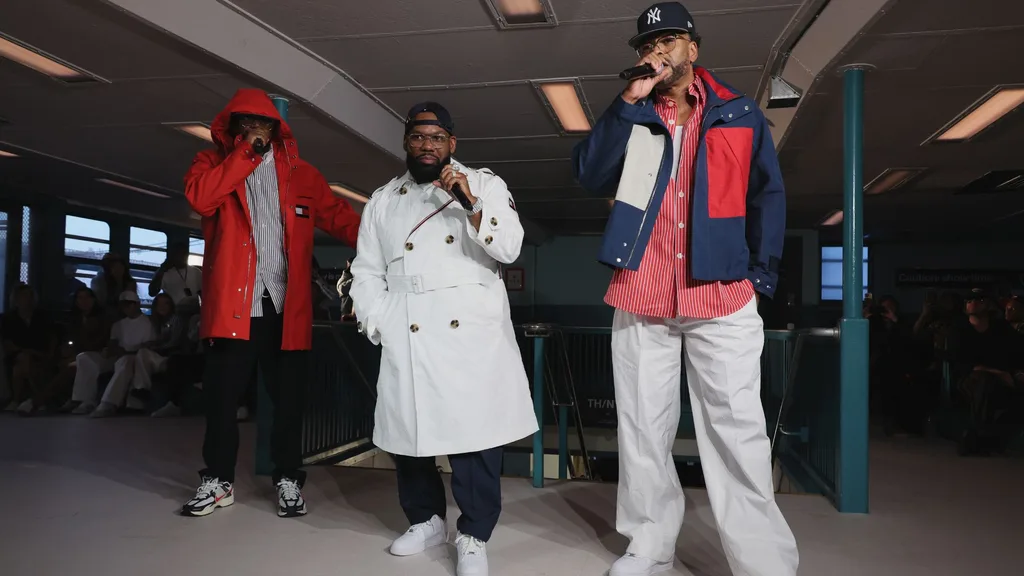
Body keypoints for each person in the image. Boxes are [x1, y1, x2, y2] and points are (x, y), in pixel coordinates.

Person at [572, 4, 797, 575]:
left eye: (670, 38)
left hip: (720, 296)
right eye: (649, 42)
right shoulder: (635, 114)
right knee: (643, 429)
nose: (659, 49)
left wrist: (759, 278)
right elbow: (589, 174)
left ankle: (763, 562)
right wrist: (627, 102)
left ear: (693, 49)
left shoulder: (738, 113)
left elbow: (768, 199)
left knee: (736, 433)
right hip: (642, 293)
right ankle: (650, 543)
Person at [350, 102, 537, 576]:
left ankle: (473, 535)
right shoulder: (383, 199)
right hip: (406, 325)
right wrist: (379, 321)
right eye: (418, 137)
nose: (427, 146)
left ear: (452, 144)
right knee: (409, 434)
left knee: (473, 441)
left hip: (467, 335)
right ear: (406, 143)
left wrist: (470, 201)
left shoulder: (485, 184)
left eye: (436, 138)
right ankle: (427, 520)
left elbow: (510, 247)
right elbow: (367, 271)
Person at [181, 88, 360, 518]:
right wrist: (244, 154)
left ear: (279, 131)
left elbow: (343, 219)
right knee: (223, 400)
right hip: (234, 311)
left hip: (286, 310)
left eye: (262, 126)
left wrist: (398, 240)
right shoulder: (212, 164)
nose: (255, 131)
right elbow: (201, 199)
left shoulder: (303, 175)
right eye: (245, 125)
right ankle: (219, 481)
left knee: (290, 402)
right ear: (232, 128)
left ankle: (287, 479)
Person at [68, 291, 156, 417]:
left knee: (125, 361)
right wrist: (110, 350)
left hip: (134, 358)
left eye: (129, 304)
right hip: (116, 356)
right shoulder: (118, 324)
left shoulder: (148, 323)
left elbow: (148, 347)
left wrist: (126, 351)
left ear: (137, 304)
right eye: (124, 305)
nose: (127, 308)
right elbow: (112, 343)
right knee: (84, 357)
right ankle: (86, 401)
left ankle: (108, 403)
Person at [3, 285, 55, 412]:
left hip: (40, 352)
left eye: (29, 296)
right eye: (23, 296)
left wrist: (48, 353)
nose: (27, 299)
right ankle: (39, 400)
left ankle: (16, 400)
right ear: (16, 299)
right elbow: (7, 342)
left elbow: (51, 337)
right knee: (22, 364)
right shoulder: (7, 318)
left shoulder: (42, 316)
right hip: (18, 354)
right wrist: (25, 352)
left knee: (21, 367)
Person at [149, 241, 202, 309]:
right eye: (178, 254)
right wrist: (162, 270)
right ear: (172, 255)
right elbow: (152, 292)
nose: (181, 256)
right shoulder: (165, 273)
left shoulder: (196, 272)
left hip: (193, 311)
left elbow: (204, 293)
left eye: (183, 253)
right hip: (173, 312)